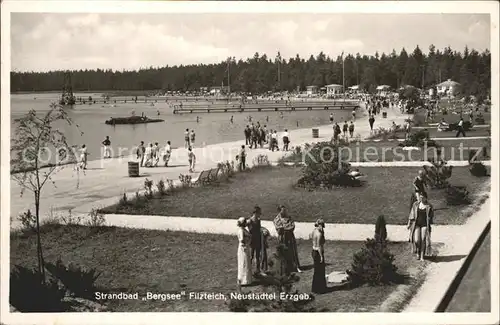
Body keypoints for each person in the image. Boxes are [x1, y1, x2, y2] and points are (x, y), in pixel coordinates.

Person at [273, 205, 302, 274]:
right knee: (283, 252)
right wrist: (286, 228)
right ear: (279, 211)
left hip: (290, 237)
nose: (285, 212)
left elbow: (292, 226)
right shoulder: (277, 219)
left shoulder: (289, 217)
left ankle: (295, 266)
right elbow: (279, 229)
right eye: (283, 210)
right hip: (282, 238)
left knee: (292, 251)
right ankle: (284, 268)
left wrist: (285, 228)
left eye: (285, 210)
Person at [408, 194, 434, 261]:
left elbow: (431, 216)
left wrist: (429, 218)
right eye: (420, 197)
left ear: (426, 198)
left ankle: (422, 256)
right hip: (417, 224)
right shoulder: (416, 204)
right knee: (417, 240)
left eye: (423, 197)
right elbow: (411, 214)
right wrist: (409, 223)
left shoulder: (429, 206)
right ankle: (417, 251)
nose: (421, 199)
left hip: (425, 224)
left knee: (423, 240)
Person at [311, 218, 327, 294]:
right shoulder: (319, 234)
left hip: (313, 251)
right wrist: (321, 256)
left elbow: (310, 236)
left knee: (316, 270)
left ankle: (315, 288)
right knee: (320, 271)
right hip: (318, 252)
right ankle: (320, 289)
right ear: (320, 225)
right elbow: (319, 246)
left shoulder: (314, 231)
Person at [237, 217, 252, 286]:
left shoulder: (243, 229)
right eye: (245, 222)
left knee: (246, 263)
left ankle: (246, 280)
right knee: (244, 263)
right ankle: (244, 281)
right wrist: (247, 242)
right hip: (244, 248)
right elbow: (242, 240)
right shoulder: (241, 230)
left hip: (245, 248)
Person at [247, 206, 263, 274]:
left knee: (258, 255)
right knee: (251, 255)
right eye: (259, 213)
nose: (259, 215)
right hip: (252, 240)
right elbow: (249, 230)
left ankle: (257, 270)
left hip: (258, 240)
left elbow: (259, 229)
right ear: (255, 213)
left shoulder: (259, 220)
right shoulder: (250, 221)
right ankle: (249, 269)